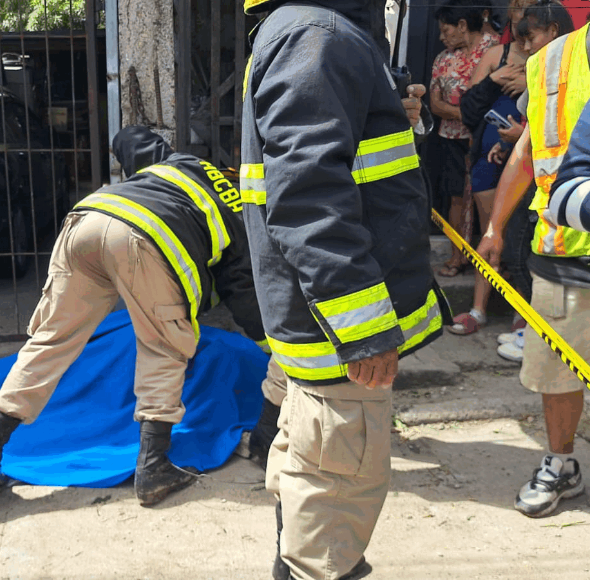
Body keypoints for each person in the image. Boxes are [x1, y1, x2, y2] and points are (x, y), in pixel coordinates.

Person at [240, 1, 449, 579]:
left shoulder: (312, 36)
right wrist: (364, 331)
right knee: (334, 498)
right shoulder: (319, 36)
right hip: (338, 335)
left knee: (311, 480)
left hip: (317, 322)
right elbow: (309, 196)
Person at [0, 125, 269, 507]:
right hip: (145, 236)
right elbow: (243, 290)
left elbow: (134, 140)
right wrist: (270, 343)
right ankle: (154, 468)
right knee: (164, 346)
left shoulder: (177, 164)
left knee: (51, 341)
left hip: (87, 219)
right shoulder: (241, 214)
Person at [477, 0, 584, 518]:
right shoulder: (551, 62)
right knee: (555, 373)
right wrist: (496, 225)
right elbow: (529, 150)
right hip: (564, 251)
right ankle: (561, 464)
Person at [449, 0, 533, 335]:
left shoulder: (555, 60)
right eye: (517, 8)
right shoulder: (495, 56)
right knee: (490, 234)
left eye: (530, 8)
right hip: (489, 160)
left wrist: (529, 88)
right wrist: (494, 80)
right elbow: (468, 110)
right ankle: (478, 309)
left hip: (528, 163)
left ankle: (521, 314)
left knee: (521, 239)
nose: (522, 15)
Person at [431, 0, 500, 278]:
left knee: (488, 198)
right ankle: (457, 256)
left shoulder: (494, 50)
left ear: (462, 25)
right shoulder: (443, 59)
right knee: (456, 197)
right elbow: (435, 105)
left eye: (446, 30)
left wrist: (461, 113)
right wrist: (468, 114)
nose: (441, 37)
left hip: (487, 139)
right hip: (452, 138)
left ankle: (491, 260)